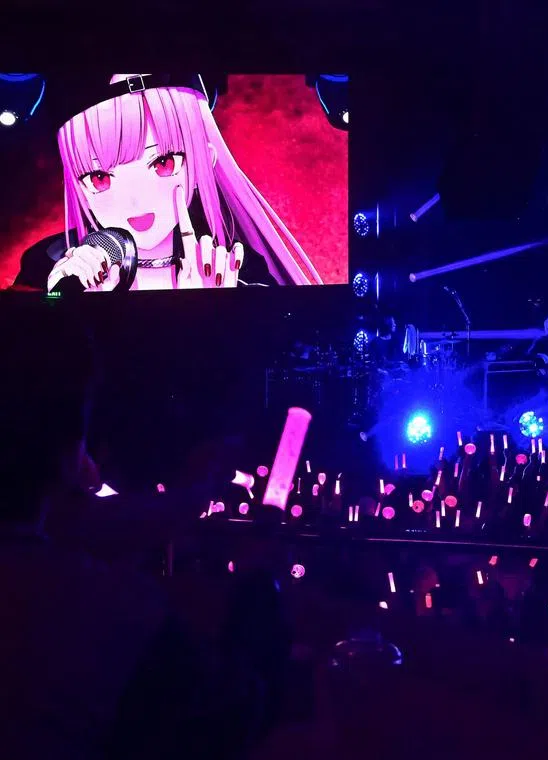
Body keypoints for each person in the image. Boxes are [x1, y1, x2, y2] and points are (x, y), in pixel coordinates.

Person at [0, 302, 274, 759]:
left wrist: (195, 492)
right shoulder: (102, 607)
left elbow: (93, 524)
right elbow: (240, 704)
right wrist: (255, 585)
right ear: (71, 443)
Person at [14, 73, 323, 292]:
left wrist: (217, 315)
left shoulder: (240, 267)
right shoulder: (49, 263)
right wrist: (62, 306)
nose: (134, 200)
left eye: (163, 162)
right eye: (100, 176)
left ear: (205, 159)